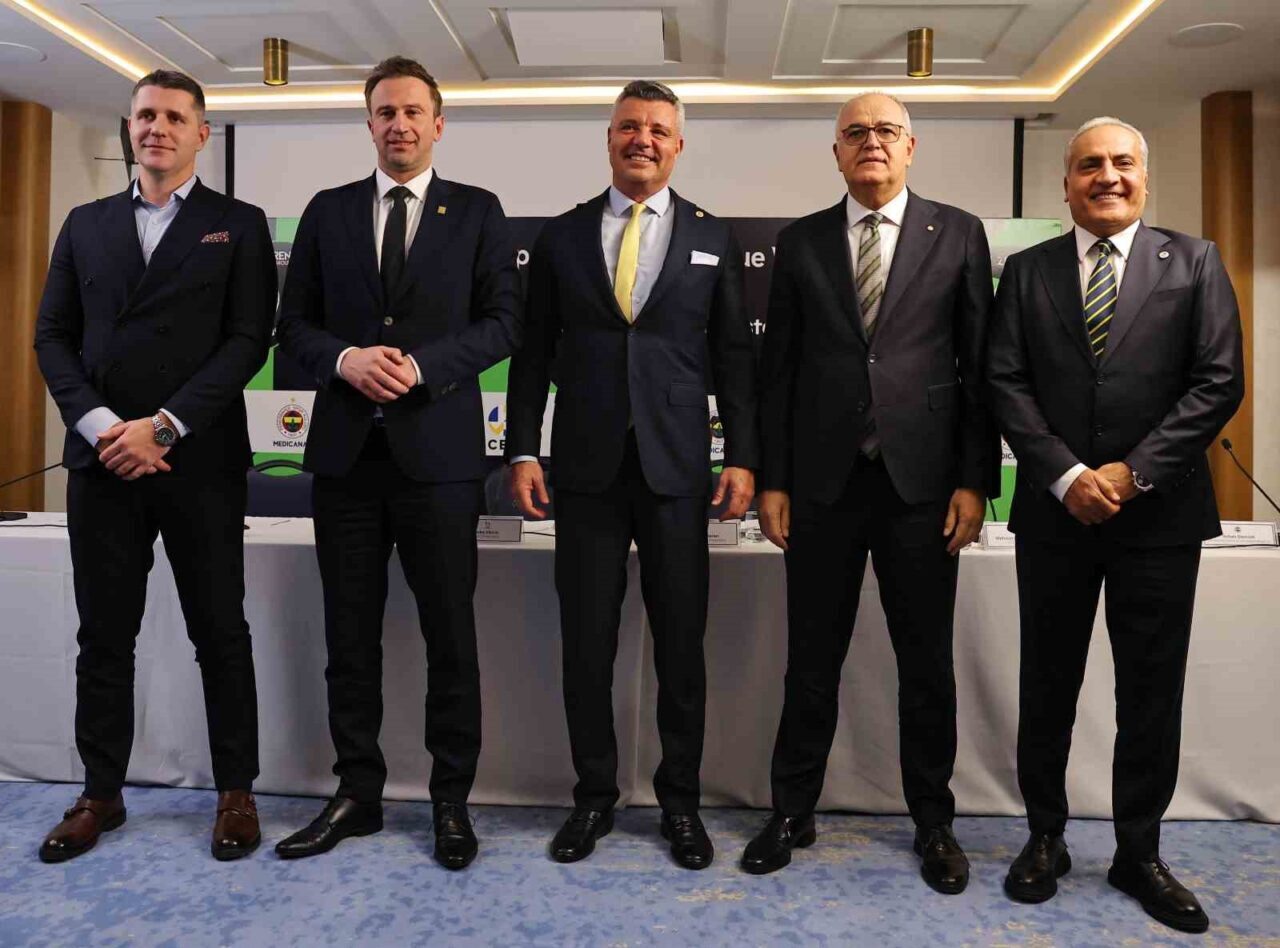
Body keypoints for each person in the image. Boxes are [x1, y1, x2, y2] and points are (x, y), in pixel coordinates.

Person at [986, 116, 1243, 934]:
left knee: (1150, 691)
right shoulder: (1027, 272)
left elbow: (1218, 381)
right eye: (1089, 164)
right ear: (1065, 185)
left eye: (1122, 162)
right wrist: (1066, 475)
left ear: (1144, 177)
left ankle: (1139, 852)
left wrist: (1132, 474)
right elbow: (1004, 380)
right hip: (1055, 514)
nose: (1107, 176)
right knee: (1046, 684)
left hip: (1159, 517)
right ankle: (1045, 838)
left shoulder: (1195, 261)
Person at [743, 93, 1000, 894]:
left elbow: (980, 369)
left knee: (926, 665)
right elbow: (777, 373)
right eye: (855, 133)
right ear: (837, 153)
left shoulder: (959, 232)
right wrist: (774, 480)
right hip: (821, 486)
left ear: (911, 147)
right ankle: (792, 811)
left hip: (923, 487)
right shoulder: (801, 241)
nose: (872, 143)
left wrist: (975, 481)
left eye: (886, 131)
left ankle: (934, 822)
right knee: (810, 661)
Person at [273, 56, 521, 869]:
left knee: (451, 638)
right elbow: (292, 328)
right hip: (346, 462)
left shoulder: (478, 211)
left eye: (414, 111)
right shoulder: (327, 211)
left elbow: (503, 323)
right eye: (385, 112)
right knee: (349, 639)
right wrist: (343, 358)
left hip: (441, 463)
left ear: (439, 124)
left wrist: (422, 367)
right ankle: (358, 794)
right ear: (369, 123)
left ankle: (451, 801)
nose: (400, 124)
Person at [505, 80, 758, 870]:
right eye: (628, 127)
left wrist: (743, 455)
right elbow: (532, 353)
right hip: (584, 469)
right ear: (609, 139)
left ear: (678, 145)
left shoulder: (712, 235)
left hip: (678, 469)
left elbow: (734, 359)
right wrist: (522, 448)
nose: (642, 139)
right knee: (587, 643)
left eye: (657, 129)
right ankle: (593, 797)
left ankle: (681, 804)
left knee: (681, 644)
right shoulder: (561, 235)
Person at [34, 70, 276, 862]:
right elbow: (52, 337)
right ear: (130, 126)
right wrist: (107, 427)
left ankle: (235, 790)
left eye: (174, 117)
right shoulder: (85, 223)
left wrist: (164, 427)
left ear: (202, 133)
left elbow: (248, 340)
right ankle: (100, 795)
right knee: (104, 638)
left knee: (221, 632)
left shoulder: (237, 225)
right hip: (104, 460)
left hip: (198, 461)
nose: (157, 128)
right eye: (145, 115)